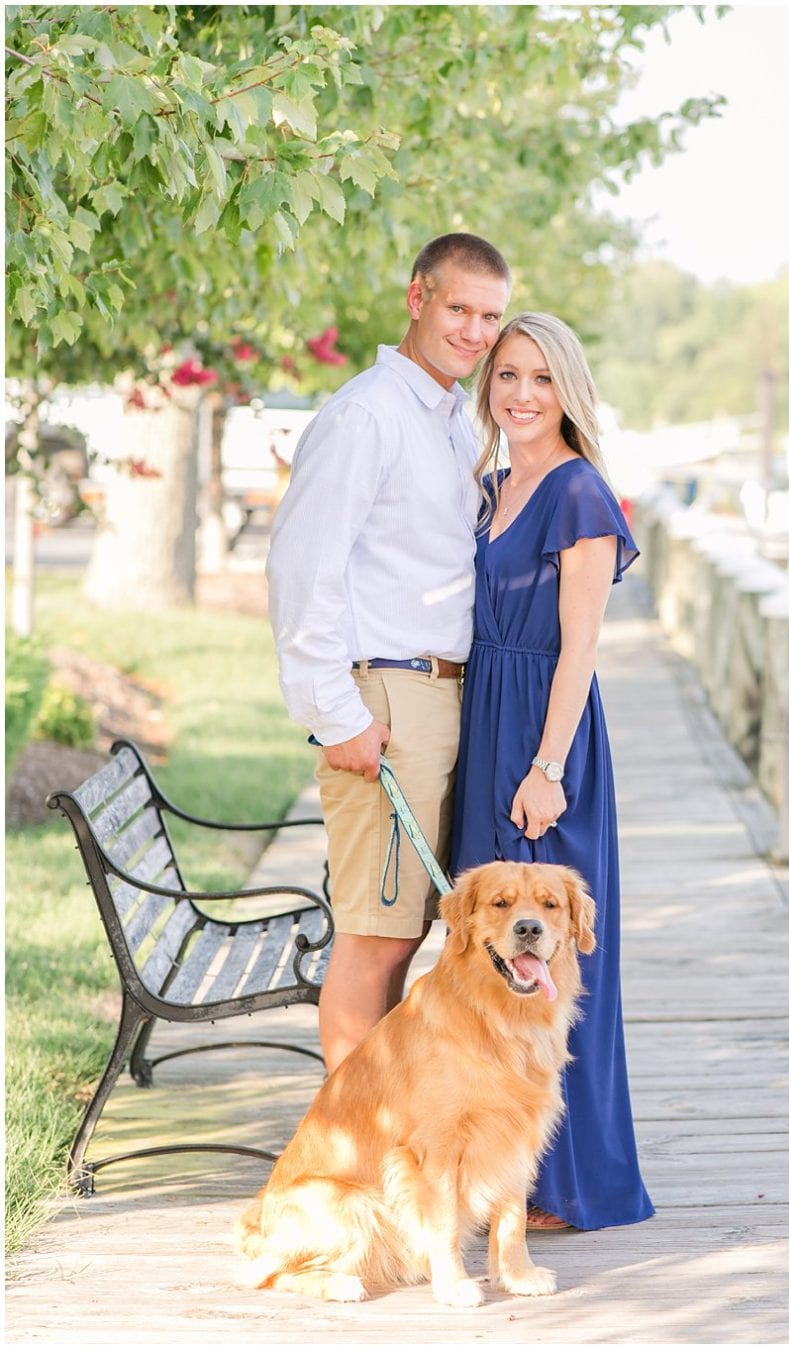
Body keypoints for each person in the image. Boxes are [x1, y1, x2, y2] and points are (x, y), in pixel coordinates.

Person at [267, 233, 511, 1074]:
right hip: (385, 701)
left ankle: (380, 1136)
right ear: (417, 299)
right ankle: (350, 1155)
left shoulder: (447, 419)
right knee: (374, 939)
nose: (476, 333)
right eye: (459, 309)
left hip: (438, 700)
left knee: (405, 933)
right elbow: (303, 569)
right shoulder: (368, 414)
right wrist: (336, 715)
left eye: (490, 317)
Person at [449, 312, 653, 1232]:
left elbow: (580, 649)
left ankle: (574, 1183)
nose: (522, 394)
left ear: (567, 388)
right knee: (490, 964)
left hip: (542, 737)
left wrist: (546, 767)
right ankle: (503, 1177)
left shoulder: (578, 493)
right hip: (484, 718)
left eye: (540, 377)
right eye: (507, 376)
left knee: (556, 966)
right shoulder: (491, 484)